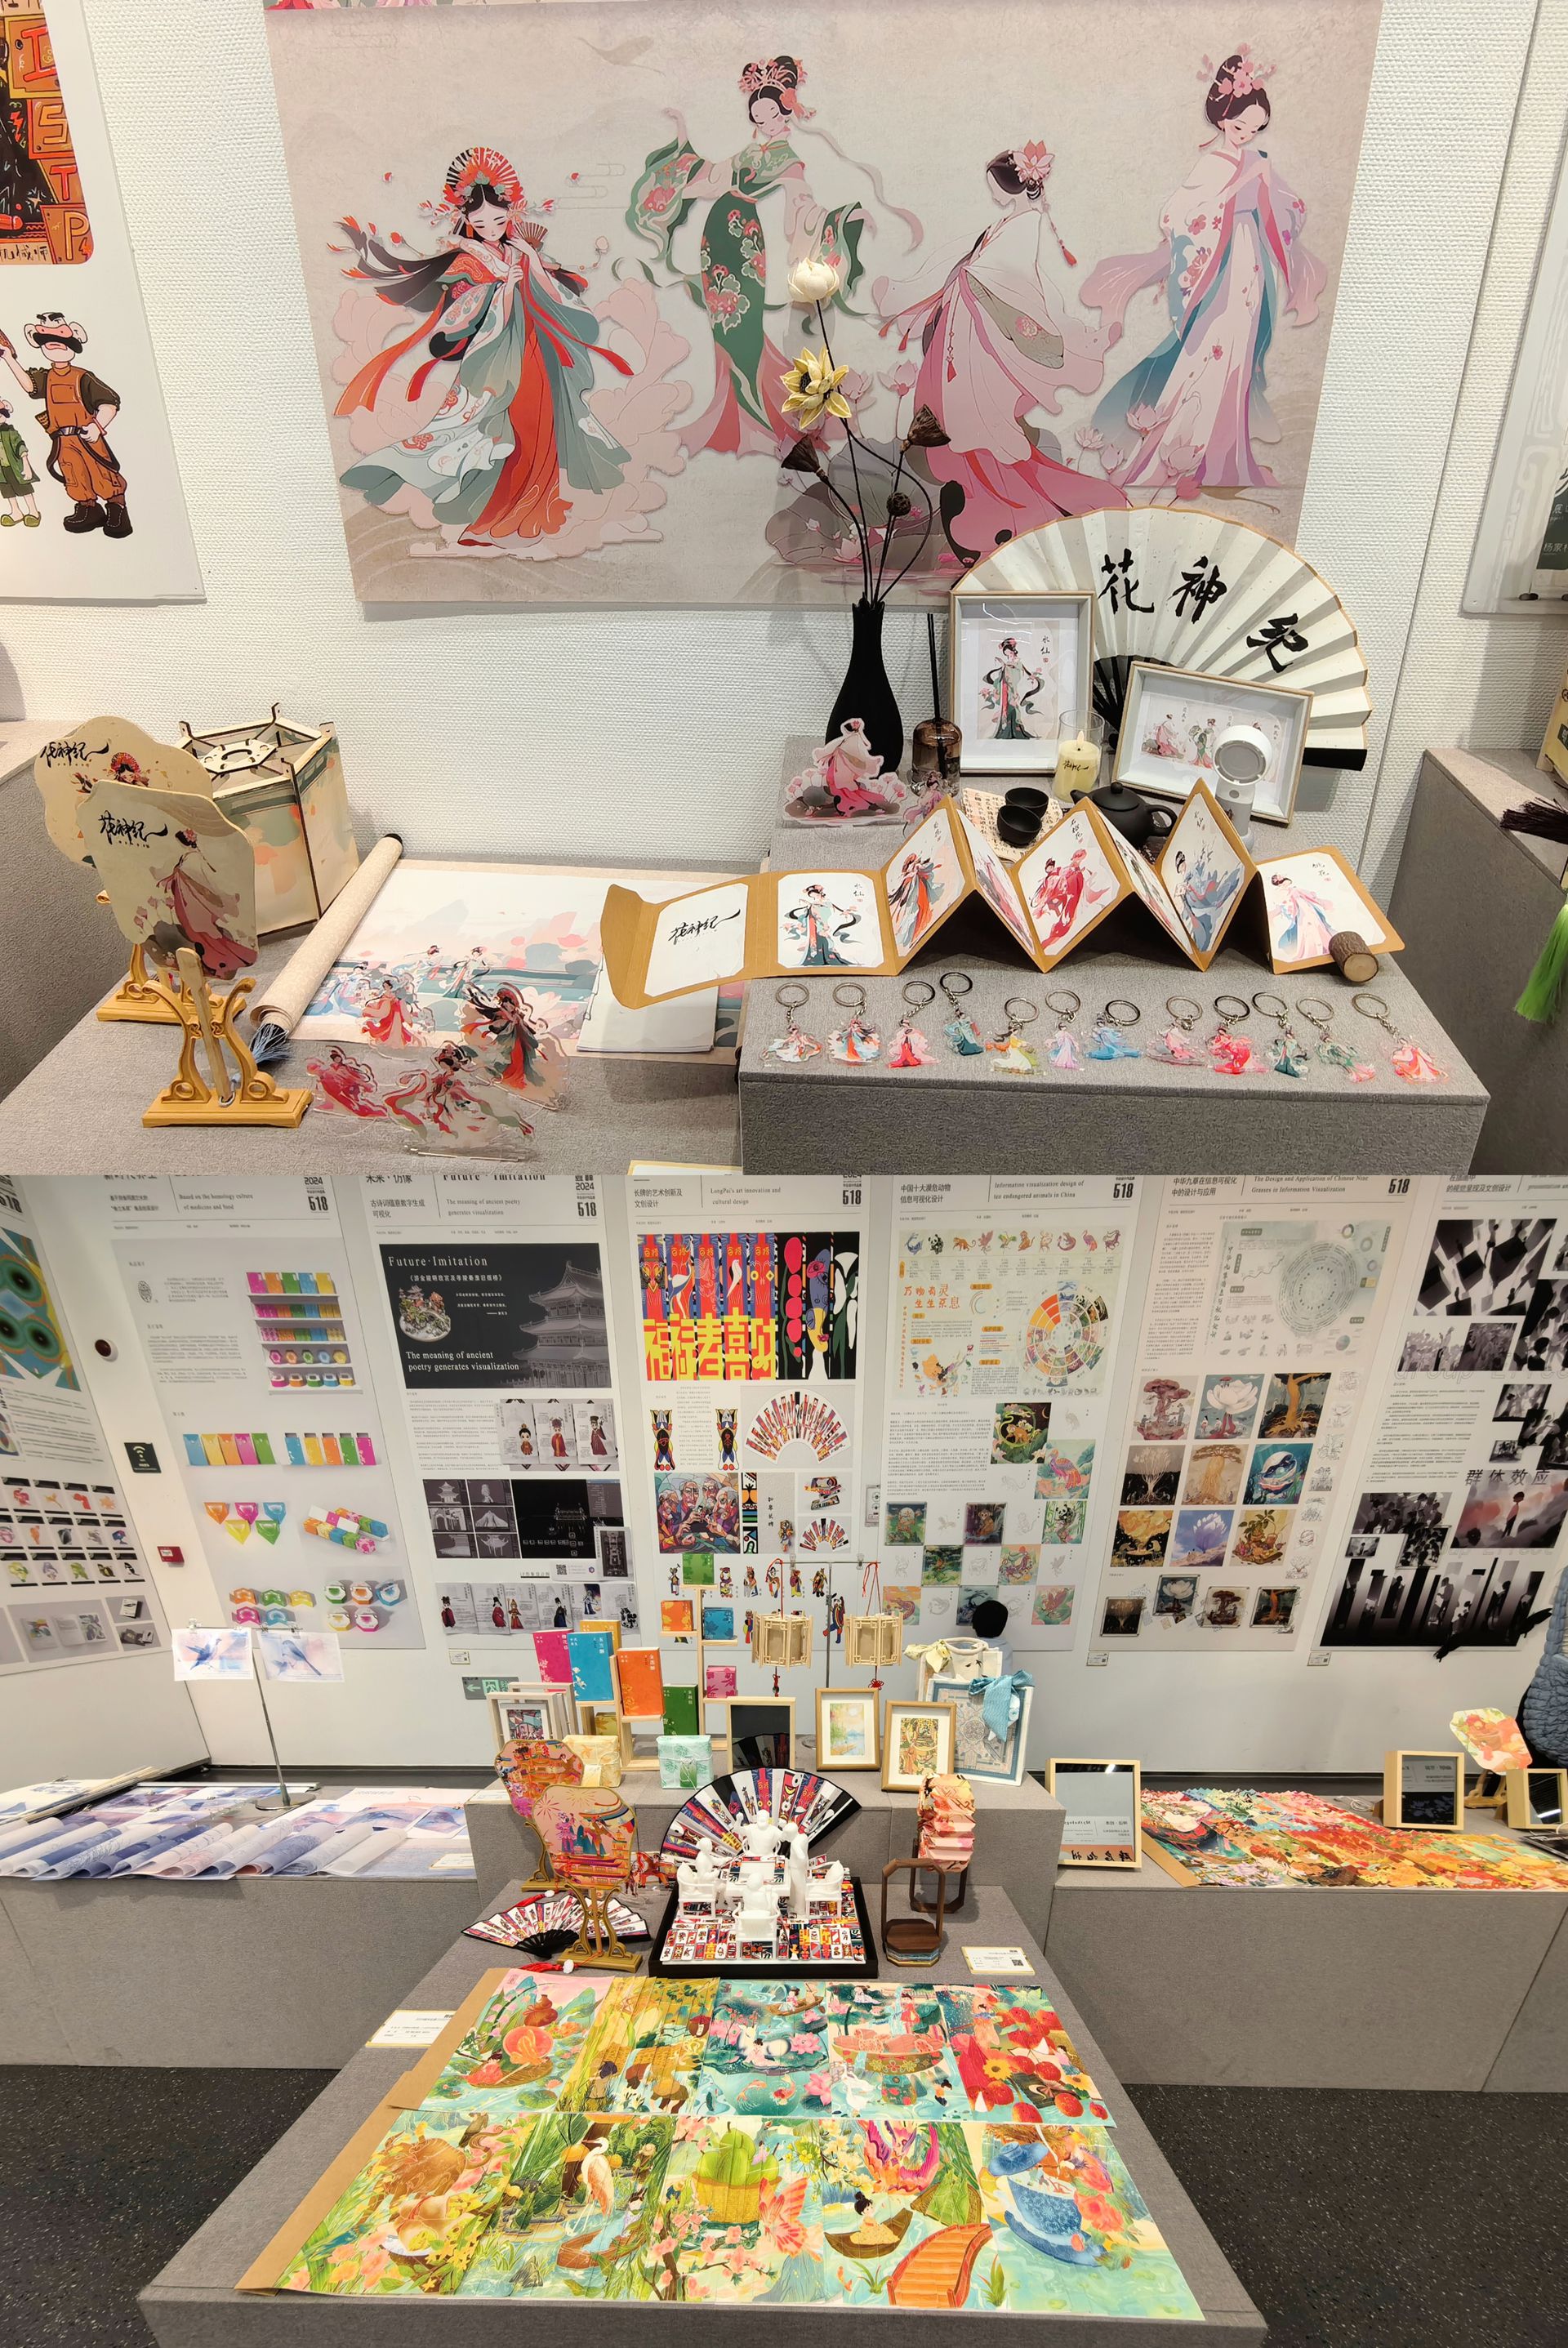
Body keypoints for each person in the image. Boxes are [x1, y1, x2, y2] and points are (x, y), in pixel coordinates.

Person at [334, 147, 632, 555]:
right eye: (480, 222)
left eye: (498, 219)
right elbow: (465, 313)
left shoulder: (519, 252)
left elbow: (554, 295)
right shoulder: (468, 260)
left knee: (541, 429)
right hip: (496, 359)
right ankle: (490, 519)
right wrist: (503, 286)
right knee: (498, 435)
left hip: (537, 352)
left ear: (511, 214)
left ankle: (533, 511)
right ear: (466, 221)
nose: (491, 228)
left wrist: (531, 260)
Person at [628, 55, 904, 458]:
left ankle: (764, 417)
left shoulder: (787, 160)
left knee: (745, 327)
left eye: (771, 114)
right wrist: (683, 130)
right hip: (717, 236)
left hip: (745, 240)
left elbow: (801, 205)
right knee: (724, 328)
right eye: (758, 117)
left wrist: (842, 219)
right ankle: (734, 412)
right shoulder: (748, 153)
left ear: (785, 111)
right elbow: (709, 177)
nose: (766, 122)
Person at [1082, 50, 1325, 493]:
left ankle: (1226, 455)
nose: (1247, 134)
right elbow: (1179, 215)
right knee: (1208, 350)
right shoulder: (1212, 164)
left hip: (1250, 267)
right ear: (1223, 117)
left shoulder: (1257, 160)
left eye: (1255, 128)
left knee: (1238, 356)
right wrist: (1242, 186)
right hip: (1217, 271)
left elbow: (1292, 209)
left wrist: (1266, 189)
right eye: (1241, 125)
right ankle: (1174, 452)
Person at [876, 141, 1125, 558]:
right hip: (967, 333)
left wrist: (969, 275)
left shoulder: (1025, 225)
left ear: (1012, 184)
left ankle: (1002, 506)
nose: (991, 191)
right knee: (960, 420)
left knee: (980, 424)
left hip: (980, 338)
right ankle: (983, 502)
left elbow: (1011, 279)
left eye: (994, 184)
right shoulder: (1007, 222)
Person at [0, 314, 131, 536]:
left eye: (61, 342)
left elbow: (109, 403)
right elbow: (30, 386)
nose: (55, 346)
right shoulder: (47, 377)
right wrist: (9, 358)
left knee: (101, 472)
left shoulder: (83, 377)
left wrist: (97, 426)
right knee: (73, 474)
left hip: (87, 437)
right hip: (62, 440)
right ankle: (89, 509)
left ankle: (116, 508)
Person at [0, 401, 38, 526]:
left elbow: (20, 446)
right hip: (2, 471)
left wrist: (26, 465)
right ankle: (16, 512)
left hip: (15, 467)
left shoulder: (10, 432)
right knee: (8, 491)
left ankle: (33, 512)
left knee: (24, 489)